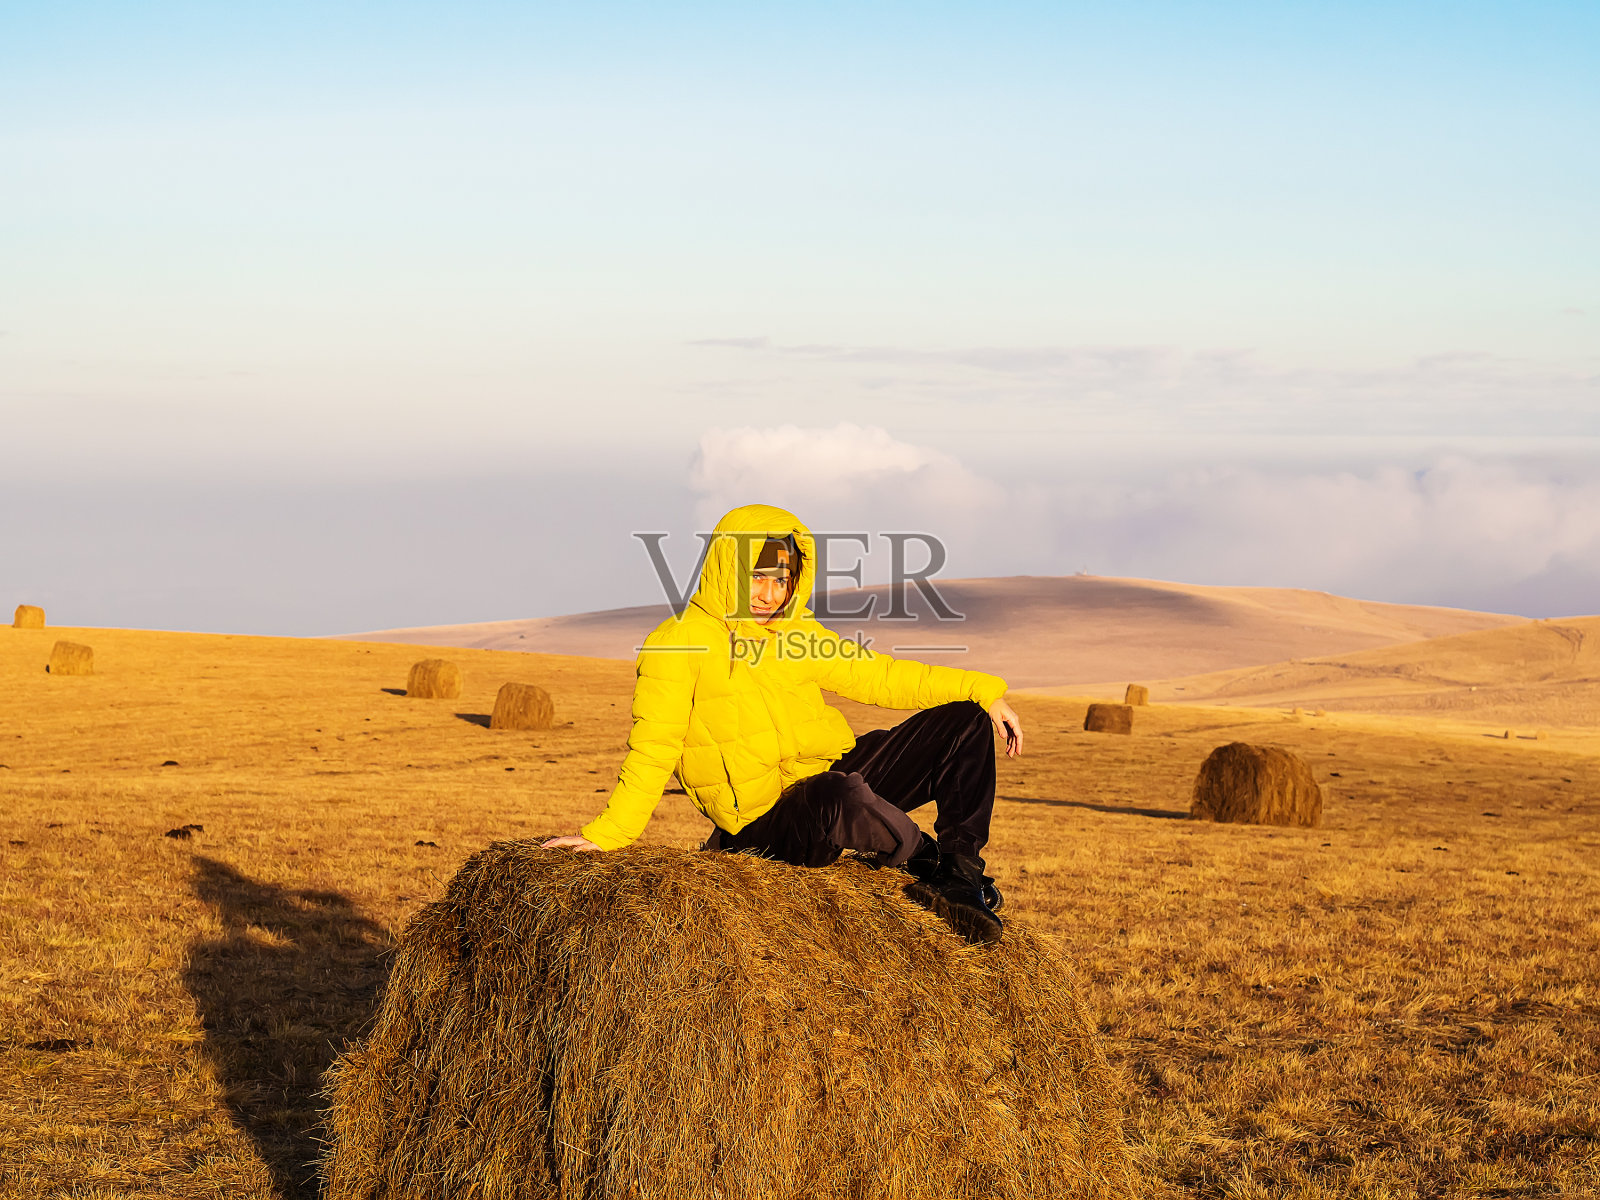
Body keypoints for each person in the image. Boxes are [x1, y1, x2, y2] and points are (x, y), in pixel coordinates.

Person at [542, 502, 1023, 944]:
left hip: (828, 774)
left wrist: (983, 691)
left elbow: (880, 675)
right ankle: (928, 860)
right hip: (766, 821)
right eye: (757, 577)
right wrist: (609, 833)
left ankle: (961, 876)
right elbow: (654, 746)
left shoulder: (798, 635)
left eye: (781, 580)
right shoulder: (678, 643)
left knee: (963, 722)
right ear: (727, 568)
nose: (769, 594)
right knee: (840, 794)